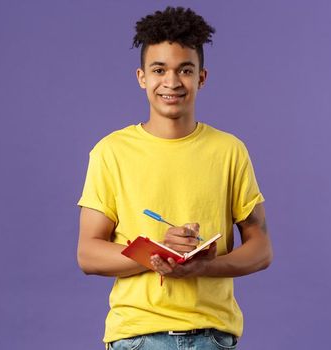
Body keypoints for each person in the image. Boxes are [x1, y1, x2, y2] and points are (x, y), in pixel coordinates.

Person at [77, 6, 272, 349]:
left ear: (201, 77)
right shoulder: (111, 152)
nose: (171, 82)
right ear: (141, 77)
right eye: (159, 69)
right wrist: (156, 255)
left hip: (212, 336)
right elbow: (88, 254)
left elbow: (261, 248)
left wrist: (202, 267)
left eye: (184, 69)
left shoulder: (229, 151)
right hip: (136, 337)